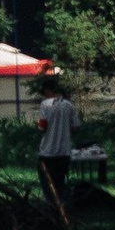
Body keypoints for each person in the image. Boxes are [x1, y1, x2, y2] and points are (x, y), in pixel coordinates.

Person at [37, 82, 80, 218]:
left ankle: (52, 207)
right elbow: (75, 127)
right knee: (60, 182)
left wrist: (37, 125)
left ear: (48, 90)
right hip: (64, 151)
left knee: (47, 184)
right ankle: (62, 207)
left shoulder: (45, 104)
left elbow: (43, 126)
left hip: (48, 152)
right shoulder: (68, 105)